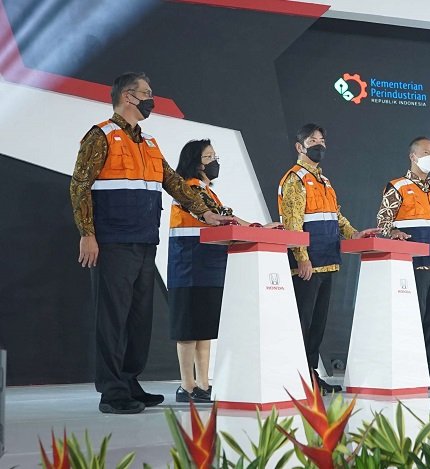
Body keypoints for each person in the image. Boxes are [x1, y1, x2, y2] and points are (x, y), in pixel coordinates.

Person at [69, 72, 232, 414]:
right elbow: (79, 185)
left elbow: (174, 182)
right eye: (146, 93)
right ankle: (112, 392)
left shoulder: (150, 143)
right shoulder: (101, 136)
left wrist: (205, 213)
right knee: (112, 319)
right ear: (128, 97)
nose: (151, 99)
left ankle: (129, 382)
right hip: (112, 242)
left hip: (145, 241)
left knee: (139, 319)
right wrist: (87, 233)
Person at [168, 139, 276, 403]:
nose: (215, 162)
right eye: (209, 157)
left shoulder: (208, 190)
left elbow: (226, 215)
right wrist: (257, 228)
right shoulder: (189, 188)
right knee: (188, 329)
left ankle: (203, 384)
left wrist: (256, 228)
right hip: (189, 266)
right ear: (196, 163)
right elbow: (221, 216)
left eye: (215, 157)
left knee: (204, 328)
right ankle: (187, 386)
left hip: (208, 266)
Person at [278, 123, 378, 394]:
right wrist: (302, 258)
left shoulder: (324, 181)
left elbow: (336, 216)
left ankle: (311, 376)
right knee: (302, 323)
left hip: (327, 261)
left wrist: (354, 233)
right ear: (299, 147)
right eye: (312, 140)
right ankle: (296, 378)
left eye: (321, 140)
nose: (319, 145)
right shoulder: (295, 179)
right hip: (307, 266)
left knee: (317, 325)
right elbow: (293, 223)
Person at [376, 136, 430, 388]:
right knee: (413, 318)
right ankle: (409, 369)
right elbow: (383, 222)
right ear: (413, 156)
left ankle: (428, 369)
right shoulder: (398, 187)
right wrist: (393, 233)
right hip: (412, 263)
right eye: (426, 152)